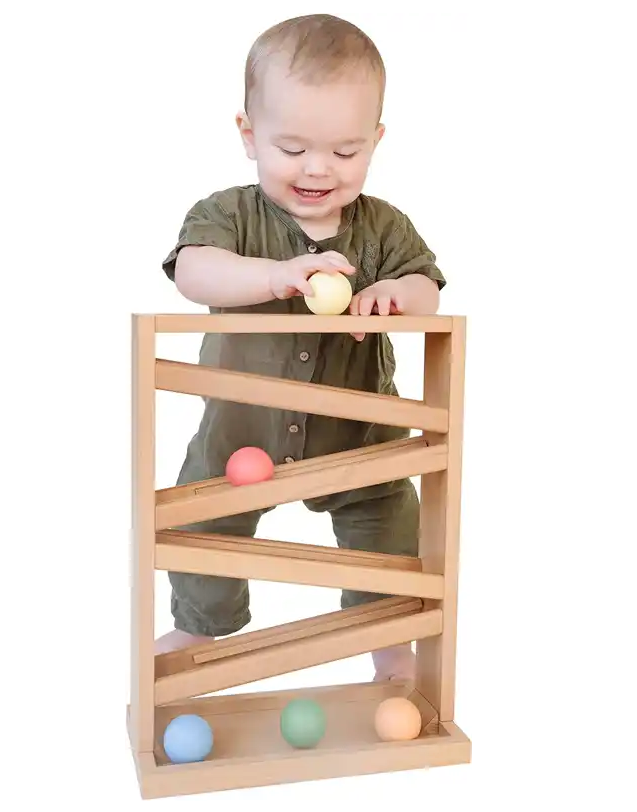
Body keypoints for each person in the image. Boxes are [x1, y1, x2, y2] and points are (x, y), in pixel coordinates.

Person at [156, 12, 446, 682]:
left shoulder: (383, 225)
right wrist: (273, 277)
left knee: (388, 528)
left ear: (375, 141)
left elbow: (427, 285)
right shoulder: (228, 214)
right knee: (202, 526)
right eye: (292, 149)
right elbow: (193, 270)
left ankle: (387, 639)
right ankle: (197, 627)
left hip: (359, 434)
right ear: (249, 135)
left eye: (346, 152)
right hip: (239, 430)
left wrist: (395, 295)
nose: (319, 168)